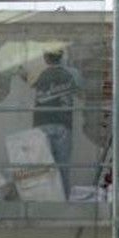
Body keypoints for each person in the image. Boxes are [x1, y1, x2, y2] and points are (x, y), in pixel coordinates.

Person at [30, 49, 83, 189]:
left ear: (45, 57)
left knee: (42, 167)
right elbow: (81, 90)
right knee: (63, 168)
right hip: (63, 124)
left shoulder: (38, 72)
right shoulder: (73, 73)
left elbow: (26, 78)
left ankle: (46, 202)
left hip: (42, 123)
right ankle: (63, 202)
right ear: (62, 56)